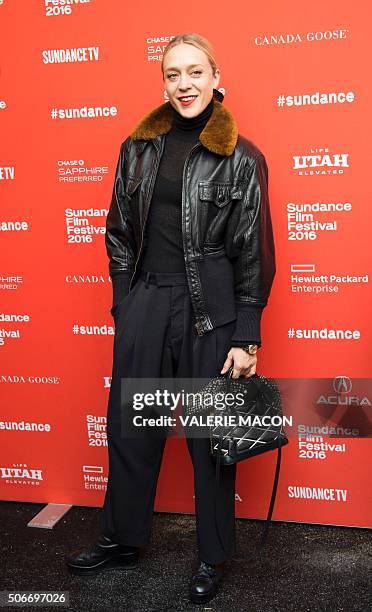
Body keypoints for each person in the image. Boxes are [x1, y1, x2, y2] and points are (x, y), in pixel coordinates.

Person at [66, 32, 276, 605]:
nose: (183, 84)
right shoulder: (137, 148)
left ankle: (212, 555)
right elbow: (117, 233)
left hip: (212, 305)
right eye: (172, 74)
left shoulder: (243, 157)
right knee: (130, 427)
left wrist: (248, 331)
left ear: (215, 77)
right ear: (163, 82)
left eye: (194, 72)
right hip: (148, 300)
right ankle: (123, 537)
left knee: (210, 438)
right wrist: (124, 304)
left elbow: (254, 250)